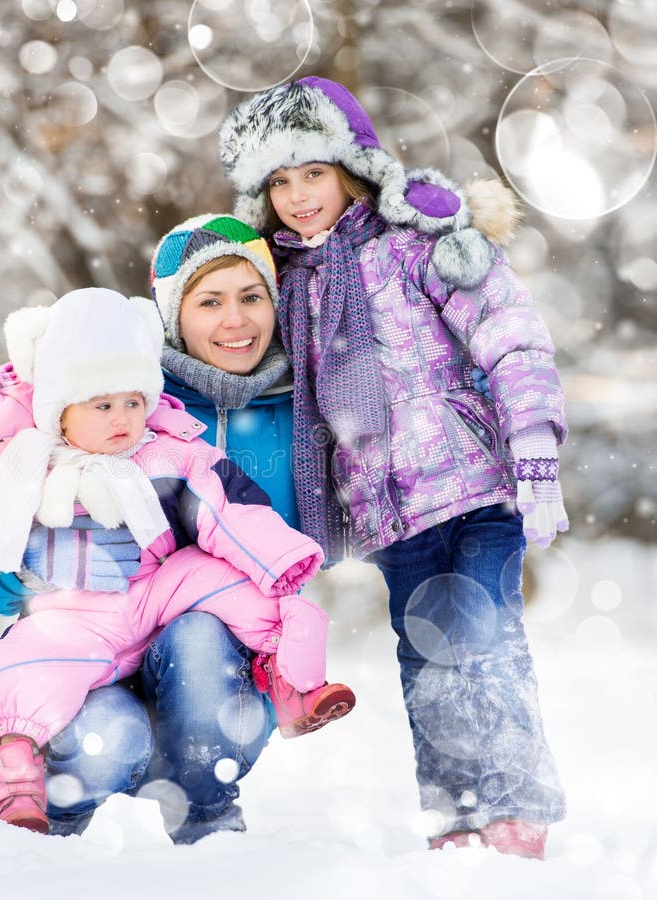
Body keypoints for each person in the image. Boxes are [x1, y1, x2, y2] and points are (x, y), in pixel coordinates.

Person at [218, 75, 569, 859]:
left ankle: (516, 809)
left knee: (482, 635)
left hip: (475, 484)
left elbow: (508, 333)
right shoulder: (287, 284)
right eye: (280, 181)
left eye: (313, 172)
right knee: (429, 656)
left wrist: (535, 448)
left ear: (351, 167)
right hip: (387, 510)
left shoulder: (415, 243)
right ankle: (456, 815)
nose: (300, 195)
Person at [0, 287, 354, 836]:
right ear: (60, 411)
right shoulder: (13, 466)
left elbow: (229, 503)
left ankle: (289, 677)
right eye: (102, 405)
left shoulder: (164, 450)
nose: (123, 418)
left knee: (242, 588)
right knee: (30, 664)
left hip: (154, 599)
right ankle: (24, 775)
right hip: (71, 618)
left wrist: (281, 562)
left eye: (132, 400)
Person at [0, 218, 305, 843]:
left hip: (212, 655)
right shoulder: (123, 394)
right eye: (210, 302)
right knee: (106, 742)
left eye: (251, 297)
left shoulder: (301, 407)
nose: (235, 320)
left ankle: (207, 817)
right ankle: (52, 823)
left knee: (200, 638)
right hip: (87, 653)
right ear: (171, 319)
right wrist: (27, 568)